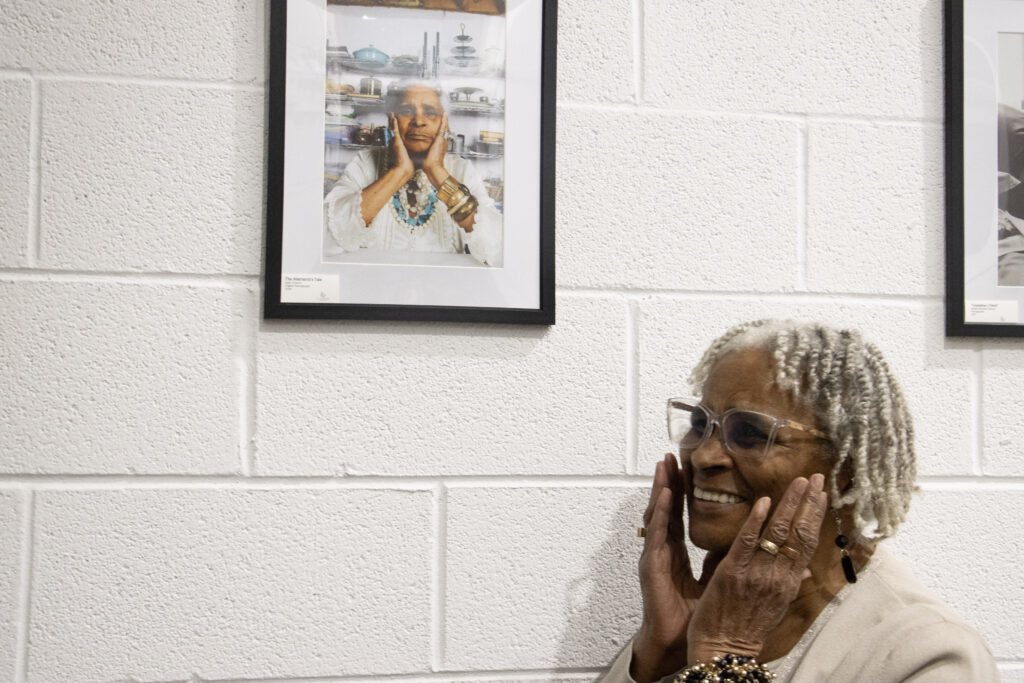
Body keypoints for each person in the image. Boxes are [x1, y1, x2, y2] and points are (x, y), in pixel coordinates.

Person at [601, 320, 998, 682]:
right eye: (701, 424)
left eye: (751, 433)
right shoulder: (703, 612)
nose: (704, 456)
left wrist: (725, 655)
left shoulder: (932, 655)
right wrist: (659, 655)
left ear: (847, 468)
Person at [323, 82, 502, 266]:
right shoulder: (364, 163)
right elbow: (325, 242)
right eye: (407, 111)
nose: (419, 121)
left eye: (430, 112)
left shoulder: (461, 170)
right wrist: (399, 172)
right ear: (391, 119)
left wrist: (436, 171)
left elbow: (497, 252)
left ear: (445, 123)